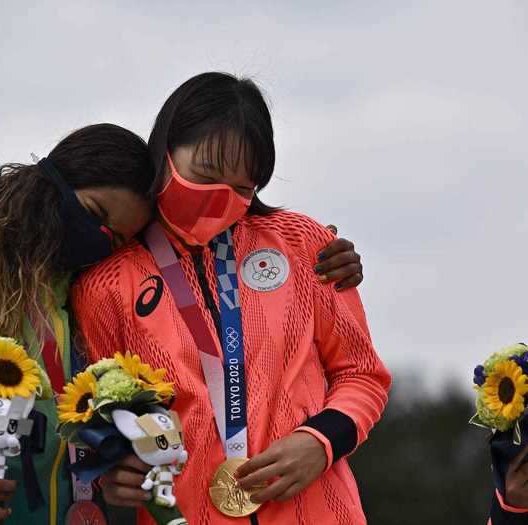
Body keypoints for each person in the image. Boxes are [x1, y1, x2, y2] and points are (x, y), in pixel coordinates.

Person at [0, 121, 363, 524]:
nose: (99, 239)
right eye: (94, 214)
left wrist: (114, 475)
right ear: (49, 188)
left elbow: (93, 445)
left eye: (120, 238)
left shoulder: (88, 298)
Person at [72, 72, 391, 525]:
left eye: (243, 189)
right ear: (164, 150)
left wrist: (320, 442)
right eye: (205, 174)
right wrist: (112, 472)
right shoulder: (104, 286)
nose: (222, 198)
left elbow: (363, 375)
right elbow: (94, 419)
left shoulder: (302, 244)